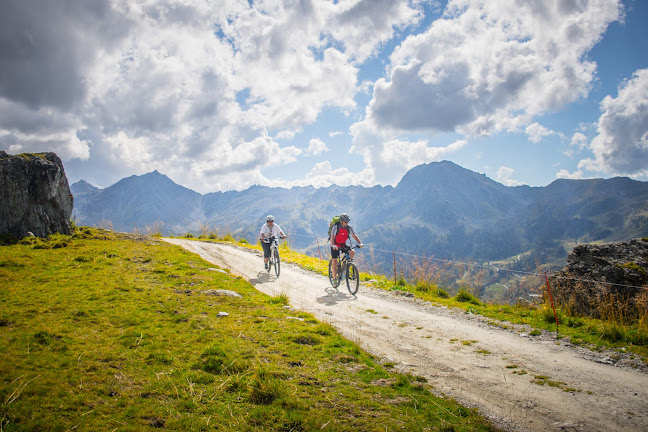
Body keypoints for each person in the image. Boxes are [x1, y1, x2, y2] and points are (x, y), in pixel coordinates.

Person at [330, 213, 363, 281]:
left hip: (343, 244)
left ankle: (345, 266)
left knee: (352, 252)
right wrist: (332, 245)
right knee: (335, 262)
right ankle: (335, 279)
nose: (347, 223)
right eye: (345, 221)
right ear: (341, 221)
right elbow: (332, 236)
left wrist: (360, 243)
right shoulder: (336, 227)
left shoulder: (349, 228)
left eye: (348, 221)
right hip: (335, 245)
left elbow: (354, 235)